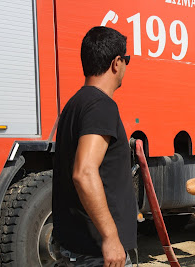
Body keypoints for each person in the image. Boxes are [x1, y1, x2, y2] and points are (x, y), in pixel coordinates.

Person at [53, 26, 137, 266]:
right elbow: (84, 172)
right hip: (97, 255)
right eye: (126, 60)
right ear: (116, 63)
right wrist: (111, 237)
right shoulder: (102, 106)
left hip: (78, 249)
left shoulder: (75, 104)